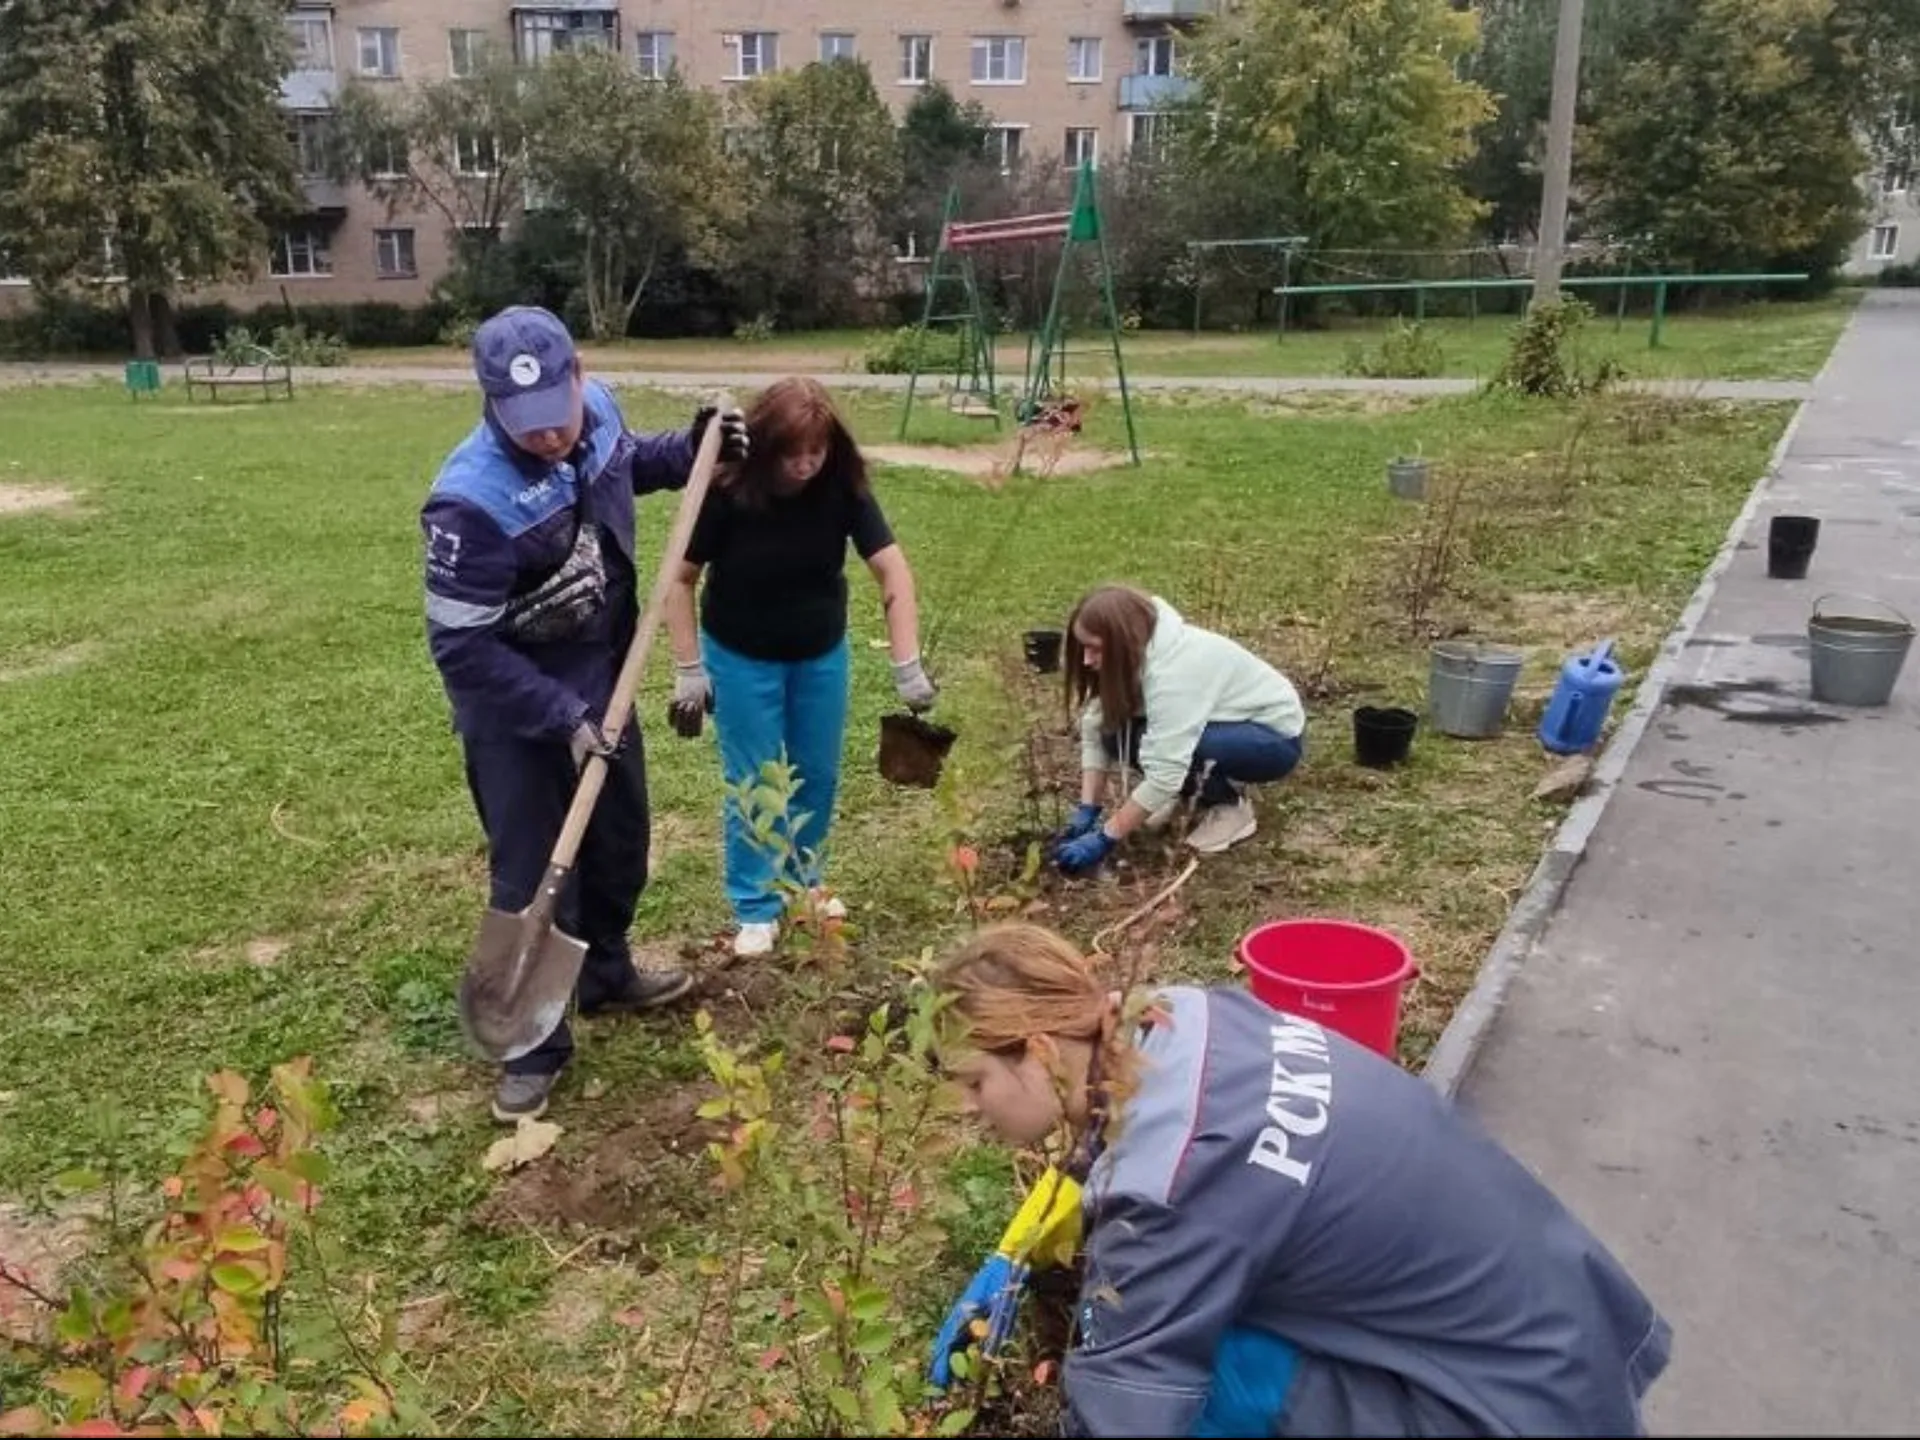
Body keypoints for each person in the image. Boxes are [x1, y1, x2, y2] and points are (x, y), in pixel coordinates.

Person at [930, 922, 1673, 1438]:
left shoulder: (1177, 1183)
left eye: (974, 1083)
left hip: (1496, 1411)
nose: (968, 1110)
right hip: (1564, 1347)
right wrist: (1013, 1254)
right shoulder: (1183, 1019)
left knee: (1200, 1378)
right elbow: (1121, 1146)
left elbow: (1128, 1405)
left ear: (1035, 1049)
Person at [420, 305, 750, 1123]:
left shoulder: (594, 412)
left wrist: (694, 447)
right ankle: (533, 1046)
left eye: (556, 417)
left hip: (604, 677)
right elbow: (463, 651)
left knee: (618, 842)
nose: (547, 439)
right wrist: (560, 714)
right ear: (491, 402)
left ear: (578, 375)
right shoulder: (467, 504)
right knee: (532, 872)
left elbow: (626, 463)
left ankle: (605, 972)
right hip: (515, 708)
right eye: (523, 426)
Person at [663, 376, 935, 959]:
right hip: (739, 655)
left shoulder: (843, 486)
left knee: (817, 774)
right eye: (794, 455)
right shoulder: (728, 490)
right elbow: (678, 581)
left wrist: (906, 662)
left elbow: (893, 571)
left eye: (817, 451)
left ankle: (805, 884)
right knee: (756, 781)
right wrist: (689, 668)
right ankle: (755, 906)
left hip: (820, 655)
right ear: (766, 448)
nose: (807, 465)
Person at [1053, 584, 1306, 872]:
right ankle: (1192, 794)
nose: (1086, 660)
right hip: (1220, 722)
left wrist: (1104, 838)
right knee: (1114, 730)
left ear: (1124, 642)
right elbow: (1096, 724)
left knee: (1192, 749)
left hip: (1273, 739)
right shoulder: (1137, 652)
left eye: (1095, 649)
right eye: (1083, 647)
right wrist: (1087, 809)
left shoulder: (1174, 675)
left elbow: (1165, 773)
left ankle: (1231, 808)